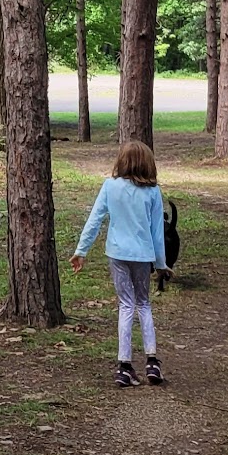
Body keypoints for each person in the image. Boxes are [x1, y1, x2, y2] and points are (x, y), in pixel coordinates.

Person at [71, 141, 168, 388]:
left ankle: (124, 366)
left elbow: (94, 220)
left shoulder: (109, 186)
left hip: (117, 254)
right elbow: (158, 232)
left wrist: (81, 251)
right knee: (143, 304)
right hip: (143, 255)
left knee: (126, 305)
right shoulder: (153, 192)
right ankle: (152, 362)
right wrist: (161, 263)